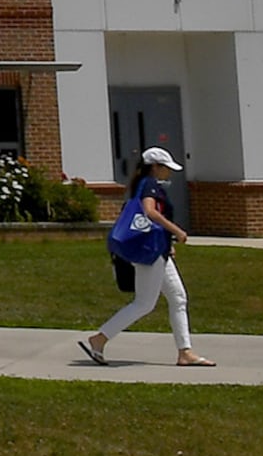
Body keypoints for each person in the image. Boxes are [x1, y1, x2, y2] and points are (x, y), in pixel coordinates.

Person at [84, 145, 215, 367]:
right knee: (144, 304)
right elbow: (150, 212)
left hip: (159, 251)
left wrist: (168, 242)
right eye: (166, 168)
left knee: (178, 298)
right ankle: (99, 339)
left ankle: (185, 352)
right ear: (155, 167)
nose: (169, 172)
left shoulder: (144, 184)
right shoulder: (150, 185)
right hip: (151, 254)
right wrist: (176, 231)